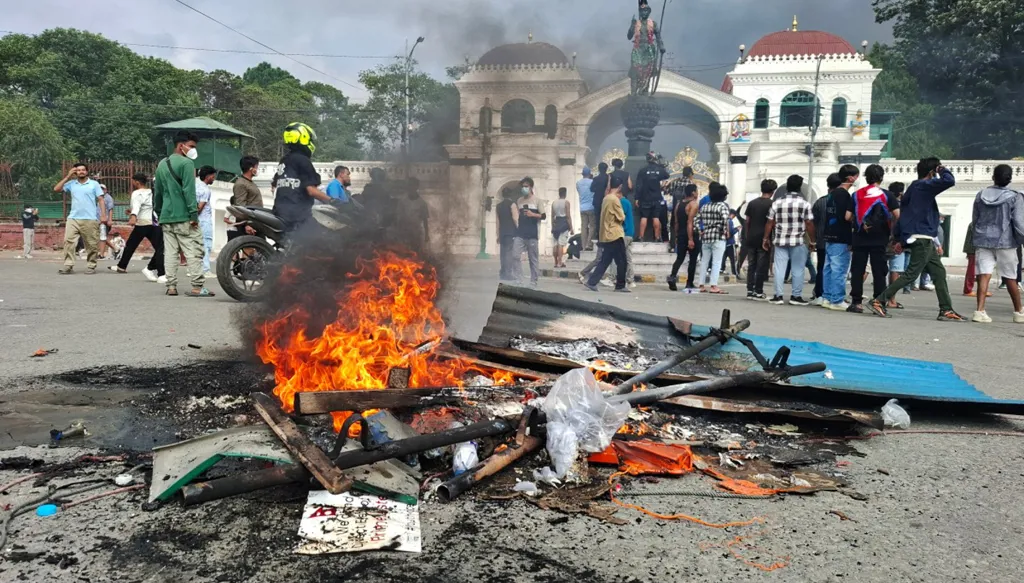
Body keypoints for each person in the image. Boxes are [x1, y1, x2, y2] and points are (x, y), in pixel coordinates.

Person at [869, 158, 963, 321]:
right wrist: (942, 170)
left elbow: (903, 215)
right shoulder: (924, 186)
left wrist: (898, 238)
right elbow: (950, 181)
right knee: (912, 273)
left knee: (939, 272)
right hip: (922, 236)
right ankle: (879, 300)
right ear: (931, 172)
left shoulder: (913, 188)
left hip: (919, 236)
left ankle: (946, 309)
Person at [154, 130, 212, 297]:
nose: (194, 150)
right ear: (181, 146)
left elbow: (157, 192)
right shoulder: (187, 164)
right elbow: (189, 191)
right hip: (184, 216)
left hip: (166, 216)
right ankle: (197, 287)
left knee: (171, 253)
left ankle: (171, 286)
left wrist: (160, 212)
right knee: (193, 250)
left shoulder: (162, 164)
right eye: (192, 146)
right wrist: (193, 215)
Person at [970, 164, 1024, 323]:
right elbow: (1019, 223)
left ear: (993, 177)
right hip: (1005, 241)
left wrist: (977, 235)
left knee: (983, 275)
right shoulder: (1015, 196)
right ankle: (1018, 312)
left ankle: (979, 311)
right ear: (1010, 179)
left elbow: (975, 218)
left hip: (983, 239)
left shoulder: (981, 195)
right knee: (1010, 277)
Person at [848, 164, 900, 314]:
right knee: (879, 271)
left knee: (858, 270)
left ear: (866, 177)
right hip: (880, 238)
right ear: (882, 178)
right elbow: (898, 215)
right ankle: (878, 301)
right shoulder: (887, 195)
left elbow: (847, 216)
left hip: (859, 238)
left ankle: (856, 302)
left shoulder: (856, 195)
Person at [764, 175, 815, 306]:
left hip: (780, 240)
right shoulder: (805, 204)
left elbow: (770, 222)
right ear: (799, 188)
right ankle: (796, 296)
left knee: (779, 269)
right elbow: (808, 223)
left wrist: (765, 238)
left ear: (787, 187)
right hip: (798, 240)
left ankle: (778, 296)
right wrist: (813, 241)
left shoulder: (777, 203)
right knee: (798, 269)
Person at [272, 123, 332, 233]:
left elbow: (275, 186)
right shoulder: (303, 161)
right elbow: (311, 191)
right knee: (325, 241)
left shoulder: (284, 160)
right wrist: (332, 200)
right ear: (304, 137)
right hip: (298, 216)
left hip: (280, 212)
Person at [111, 173, 165, 282]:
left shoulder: (137, 193)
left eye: (133, 181)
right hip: (153, 222)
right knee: (160, 248)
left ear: (137, 182)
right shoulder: (151, 192)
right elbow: (149, 207)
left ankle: (123, 266)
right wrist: (132, 213)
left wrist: (133, 216)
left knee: (131, 245)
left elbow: (137, 206)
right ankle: (160, 272)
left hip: (142, 223)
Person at [55, 162, 106, 275]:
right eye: (78, 170)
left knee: (91, 244)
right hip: (73, 218)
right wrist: (68, 176)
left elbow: (101, 199)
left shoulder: (94, 184)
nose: (81, 172)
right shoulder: (71, 183)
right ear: (75, 172)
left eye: (83, 170)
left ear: (87, 172)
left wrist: (103, 215)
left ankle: (91, 265)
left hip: (90, 218)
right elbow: (56, 189)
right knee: (68, 242)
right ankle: (68, 265)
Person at [820, 164, 858, 311]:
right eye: (855, 176)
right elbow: (847, 217)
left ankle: (827, 297)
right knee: (839, 269)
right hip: (841, 236)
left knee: (829, 267)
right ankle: (837, 299)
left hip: (830, 234)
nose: (856, 179)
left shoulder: (833, 194)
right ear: (850, 177)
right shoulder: (844, 195)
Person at [584, 174, 629, 292]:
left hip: (607, 233)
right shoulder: (615, 200)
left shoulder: (606, 198)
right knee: (622, 261)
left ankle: (592, 281)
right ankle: (620, 285)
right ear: (619, 186)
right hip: (615, 233)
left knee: (605, 260)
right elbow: (621, 217)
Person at [692, 183, 731, 294]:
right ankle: (714, 285)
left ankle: (701, 284)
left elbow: (696, 220)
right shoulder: (722, 206)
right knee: (716, 262)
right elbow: (725, 220)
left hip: (706, 236)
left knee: (704, 261)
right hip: (718, 236)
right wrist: (725, 231)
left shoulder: (705, 206)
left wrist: (700, 231)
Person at [744, 179, 776, 300]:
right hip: (765, 238)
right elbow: (772, 222)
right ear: (773, 191)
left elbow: (747, 221)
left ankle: (750, 290)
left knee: (751, 264)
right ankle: (758, 290)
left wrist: (748, 234)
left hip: (752, 237)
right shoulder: (772, 204)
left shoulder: (752, 203)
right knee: (762, 265)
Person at [810, 174, 839, 305]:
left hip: (822, 240)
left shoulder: (820, 202)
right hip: (838, 240)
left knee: (822, 267)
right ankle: (834, 294)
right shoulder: (843, 201)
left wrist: (813, 239)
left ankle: (820, 293)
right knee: (837, 268)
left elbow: (813, 221)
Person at [512, 177, 543, 287]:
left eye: (526, 186)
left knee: (533, 259)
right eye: (523, 187)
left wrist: (533, 214)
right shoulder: (519, 201)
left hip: (532, 234)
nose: (524, 188)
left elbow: (543, 216)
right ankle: (519, 279)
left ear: (531, 187)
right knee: (515, 255)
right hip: (520, 233)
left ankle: (533, 281)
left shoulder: (537, 200)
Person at [668, 183, 699, 291]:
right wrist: (690, 239)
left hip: (681, 233)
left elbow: (676, 222)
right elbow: (690, 222)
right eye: (696, 191)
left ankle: (672, 276)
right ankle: (689, 282)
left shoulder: (678, 204)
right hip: (691, 234)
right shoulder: (693, 204)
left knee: (680, 258)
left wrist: (676, 236)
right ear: (693, 193)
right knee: (693, 259)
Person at [885, 181, 913, 302]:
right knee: (895, 270)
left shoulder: (883, 203)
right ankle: (892, 299)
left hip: (882, 239)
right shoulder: (904, 207)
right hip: (896, 241)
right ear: (901, 193)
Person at [635, 152, 669, 242]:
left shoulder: (642, 170)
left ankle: (641, 237)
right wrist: (662, 167)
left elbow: (638, 185)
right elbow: (667, 175)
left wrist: (637, 198)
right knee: (656, 217)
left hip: (645, 198)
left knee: (644, 217)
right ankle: (657, 237)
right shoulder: (659, 170)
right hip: (657, 198)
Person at [228, 156, 262, 241]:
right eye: (256, 167)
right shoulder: (240, 184)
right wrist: (246, 224)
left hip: (256, 222)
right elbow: (240, 206)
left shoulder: (250, 183)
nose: (257, 169)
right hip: (249, 225)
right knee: (250, 252)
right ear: (251, 168)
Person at [395, 177, 430, 250]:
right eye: (409, 185)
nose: (411, 187)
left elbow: (425, 220)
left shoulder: (422, 203)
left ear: (417, 187)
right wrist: (398, 232)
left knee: (416, 254)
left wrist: (427, 235)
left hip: (416, 233)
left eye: (413, 185)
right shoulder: (402, 201)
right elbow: (399, 218)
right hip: (405, 233)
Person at [196, 165, 216, 278]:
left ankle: (195, 269)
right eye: (213, 176)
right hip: (205, 221)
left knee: (197, 246)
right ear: (208, 176)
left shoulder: (196, 187)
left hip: (197, 222)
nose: (214, 179)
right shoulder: (205, 190)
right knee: (206, 245)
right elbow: (200, 208)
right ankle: (205, 269)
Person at [496, 187, 518, 282]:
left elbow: (498, 222)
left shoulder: (498, 206)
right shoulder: (512, 204)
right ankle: (508, 273)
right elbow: (515, 218)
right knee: (509, 253)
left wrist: (497, 234)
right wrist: (519, 229)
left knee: (503, 253)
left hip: (502, 232)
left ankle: (503, 272)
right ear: (510, 195)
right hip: (511, 232)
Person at [550, 187, 573, 268]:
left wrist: (552, 226)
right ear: (565, 194)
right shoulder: (566, 203)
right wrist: (571, 227)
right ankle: (560, 262)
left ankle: (555, 262)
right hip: (563, 224)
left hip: (556, 223)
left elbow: (552, 216)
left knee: (555, 244)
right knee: (561, 244)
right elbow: (568, 216)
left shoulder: (554, 203)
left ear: (559, 193)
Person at [576, 167, 596, 250]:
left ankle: (583, 246)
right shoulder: (592, 182)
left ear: (582, 174)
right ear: (589, 174)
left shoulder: (578, 183)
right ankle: (589, 243)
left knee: (583, 227)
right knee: (592, 226)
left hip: (582, 208)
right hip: (591, 206)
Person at [97, 183, 115, 260]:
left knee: (102, 236)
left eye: (103, 189)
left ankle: (101, 254)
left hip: (104, 220)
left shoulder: (108, 198)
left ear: (106, 190)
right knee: (99, 237)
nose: (101, 190)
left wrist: (110, 220)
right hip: (96, 220)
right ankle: (116, 248)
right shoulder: (97, 197)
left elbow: (110, 209)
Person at [591, 163, 611, 228]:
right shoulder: (609, 178)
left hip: (597, 201)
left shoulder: (596, 179)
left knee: (598, 219)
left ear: (599, 169)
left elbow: (591, 189)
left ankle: (598, 234)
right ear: (606, 169)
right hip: (607, 201)